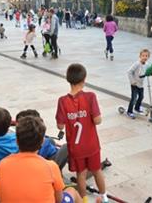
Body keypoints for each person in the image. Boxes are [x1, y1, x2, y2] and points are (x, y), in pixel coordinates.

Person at [0, 116, 82, 203]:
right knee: (72, 191)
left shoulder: (3, 164)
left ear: (17, 141)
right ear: (42, 142)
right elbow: (59, 200)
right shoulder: (51, 167)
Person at [56, 64, 108, 202]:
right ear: (84, 79)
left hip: (75, 147)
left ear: (68, 79)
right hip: (91, 145)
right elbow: (97, 120)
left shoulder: (62, 101)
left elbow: (60, 125)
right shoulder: (90, 96)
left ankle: (83, 200)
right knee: (97, 170)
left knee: (81, 174)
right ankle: (104, 197)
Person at [126, 49, 150, 119]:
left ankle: (137, 108)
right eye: (143, 56)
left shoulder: (147, 64)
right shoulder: (137, 64)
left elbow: (150, 70)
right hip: (134, 84)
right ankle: (129, 111)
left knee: (141, 96)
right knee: (134, 98)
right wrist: (132, 81)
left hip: (141, 84)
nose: (145, 57)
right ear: (140, 56)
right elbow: (129, 72)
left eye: (146, 56)